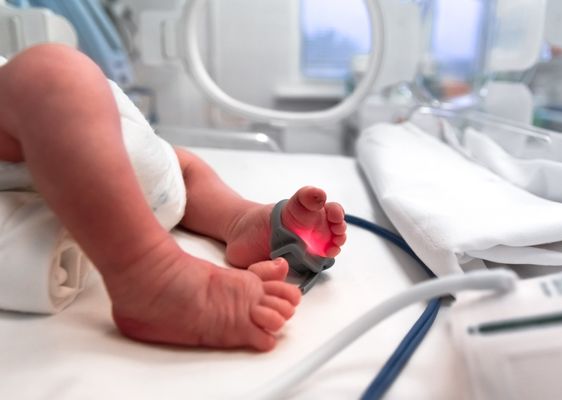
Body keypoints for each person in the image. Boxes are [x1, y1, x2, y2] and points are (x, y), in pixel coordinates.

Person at [0, 44, 347, 351]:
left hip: (106, 169)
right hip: (50, 168)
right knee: (52, 76)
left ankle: (236, 219)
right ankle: (147, 273)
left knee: (170, 169)